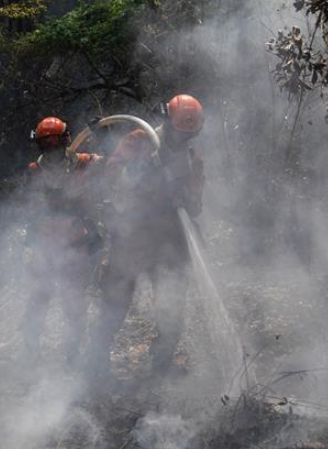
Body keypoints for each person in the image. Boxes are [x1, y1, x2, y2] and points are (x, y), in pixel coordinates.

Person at [87, 94, 206, 385]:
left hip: (169, 241)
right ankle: (96, 365)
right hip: (133, 235)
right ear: (167, 122)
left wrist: (182, 194)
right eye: (179, 132)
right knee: (116, 299)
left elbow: (196, 207)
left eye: (188, 135)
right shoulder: (140, 140)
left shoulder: (192, 160)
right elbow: (112, 173)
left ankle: (161, 366)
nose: (182, 138)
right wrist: (143, 172)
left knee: (171, 305)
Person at [20, 116, 104, 367]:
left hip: (76, 245)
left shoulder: (83, 163)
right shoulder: (34, 172)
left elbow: (112, 164)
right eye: (48, 148)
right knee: (38, 298)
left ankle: (73, 352)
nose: (53, 153)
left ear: (66, 142)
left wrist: (102, 131)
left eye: (56, 147)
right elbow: (31, 207)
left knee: (74, 302)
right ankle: (30, 350)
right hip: (45, 246)